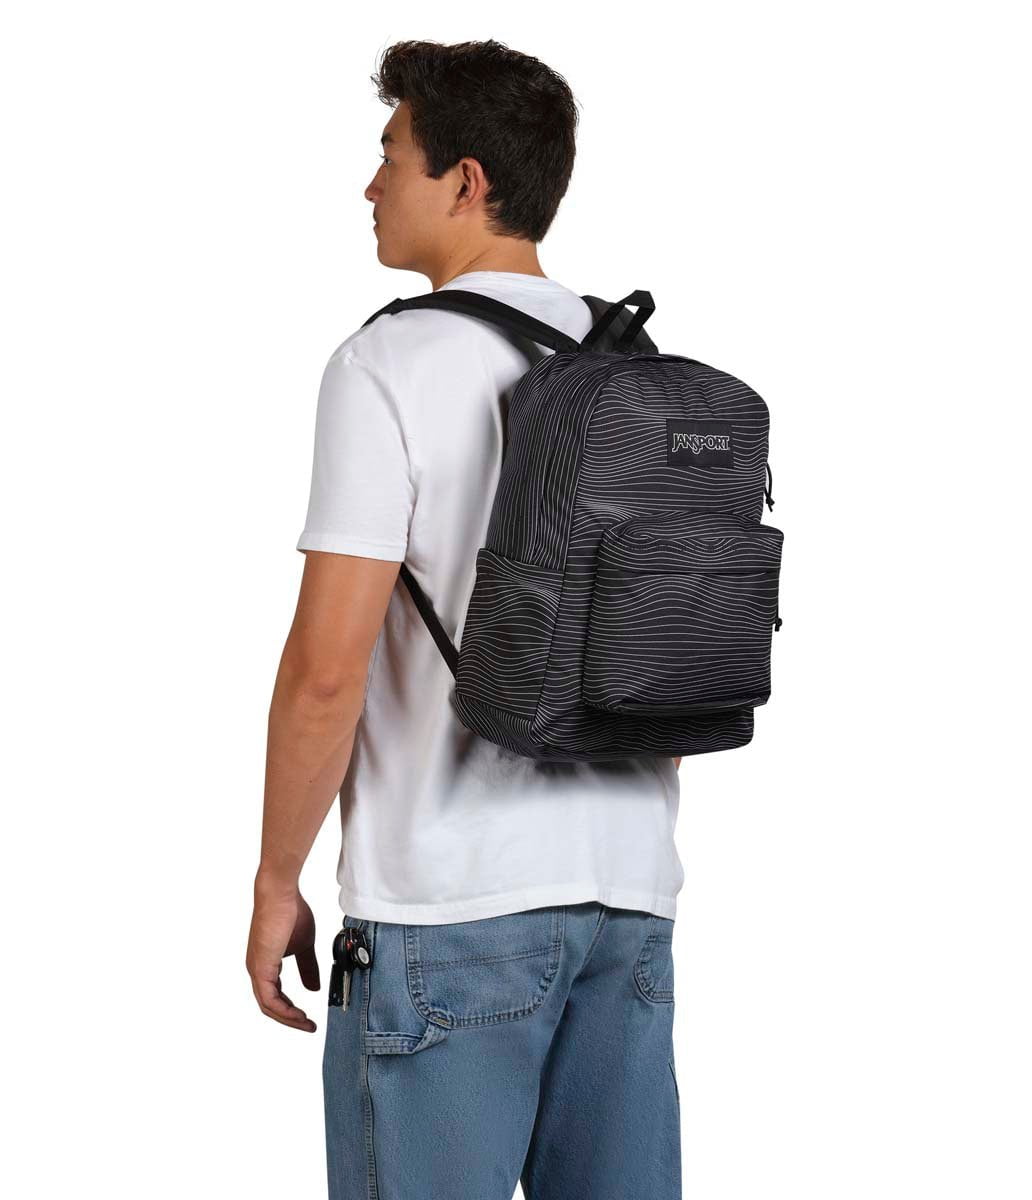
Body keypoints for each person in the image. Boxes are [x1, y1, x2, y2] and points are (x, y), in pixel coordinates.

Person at [245, 38, 685, 1200]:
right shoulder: (636, 362)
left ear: (466, 181)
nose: (371, 184)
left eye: (392, 155)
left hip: (448, 907)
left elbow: (327, 672)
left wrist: (277, 880)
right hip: (629, 900)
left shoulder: (387, 364)